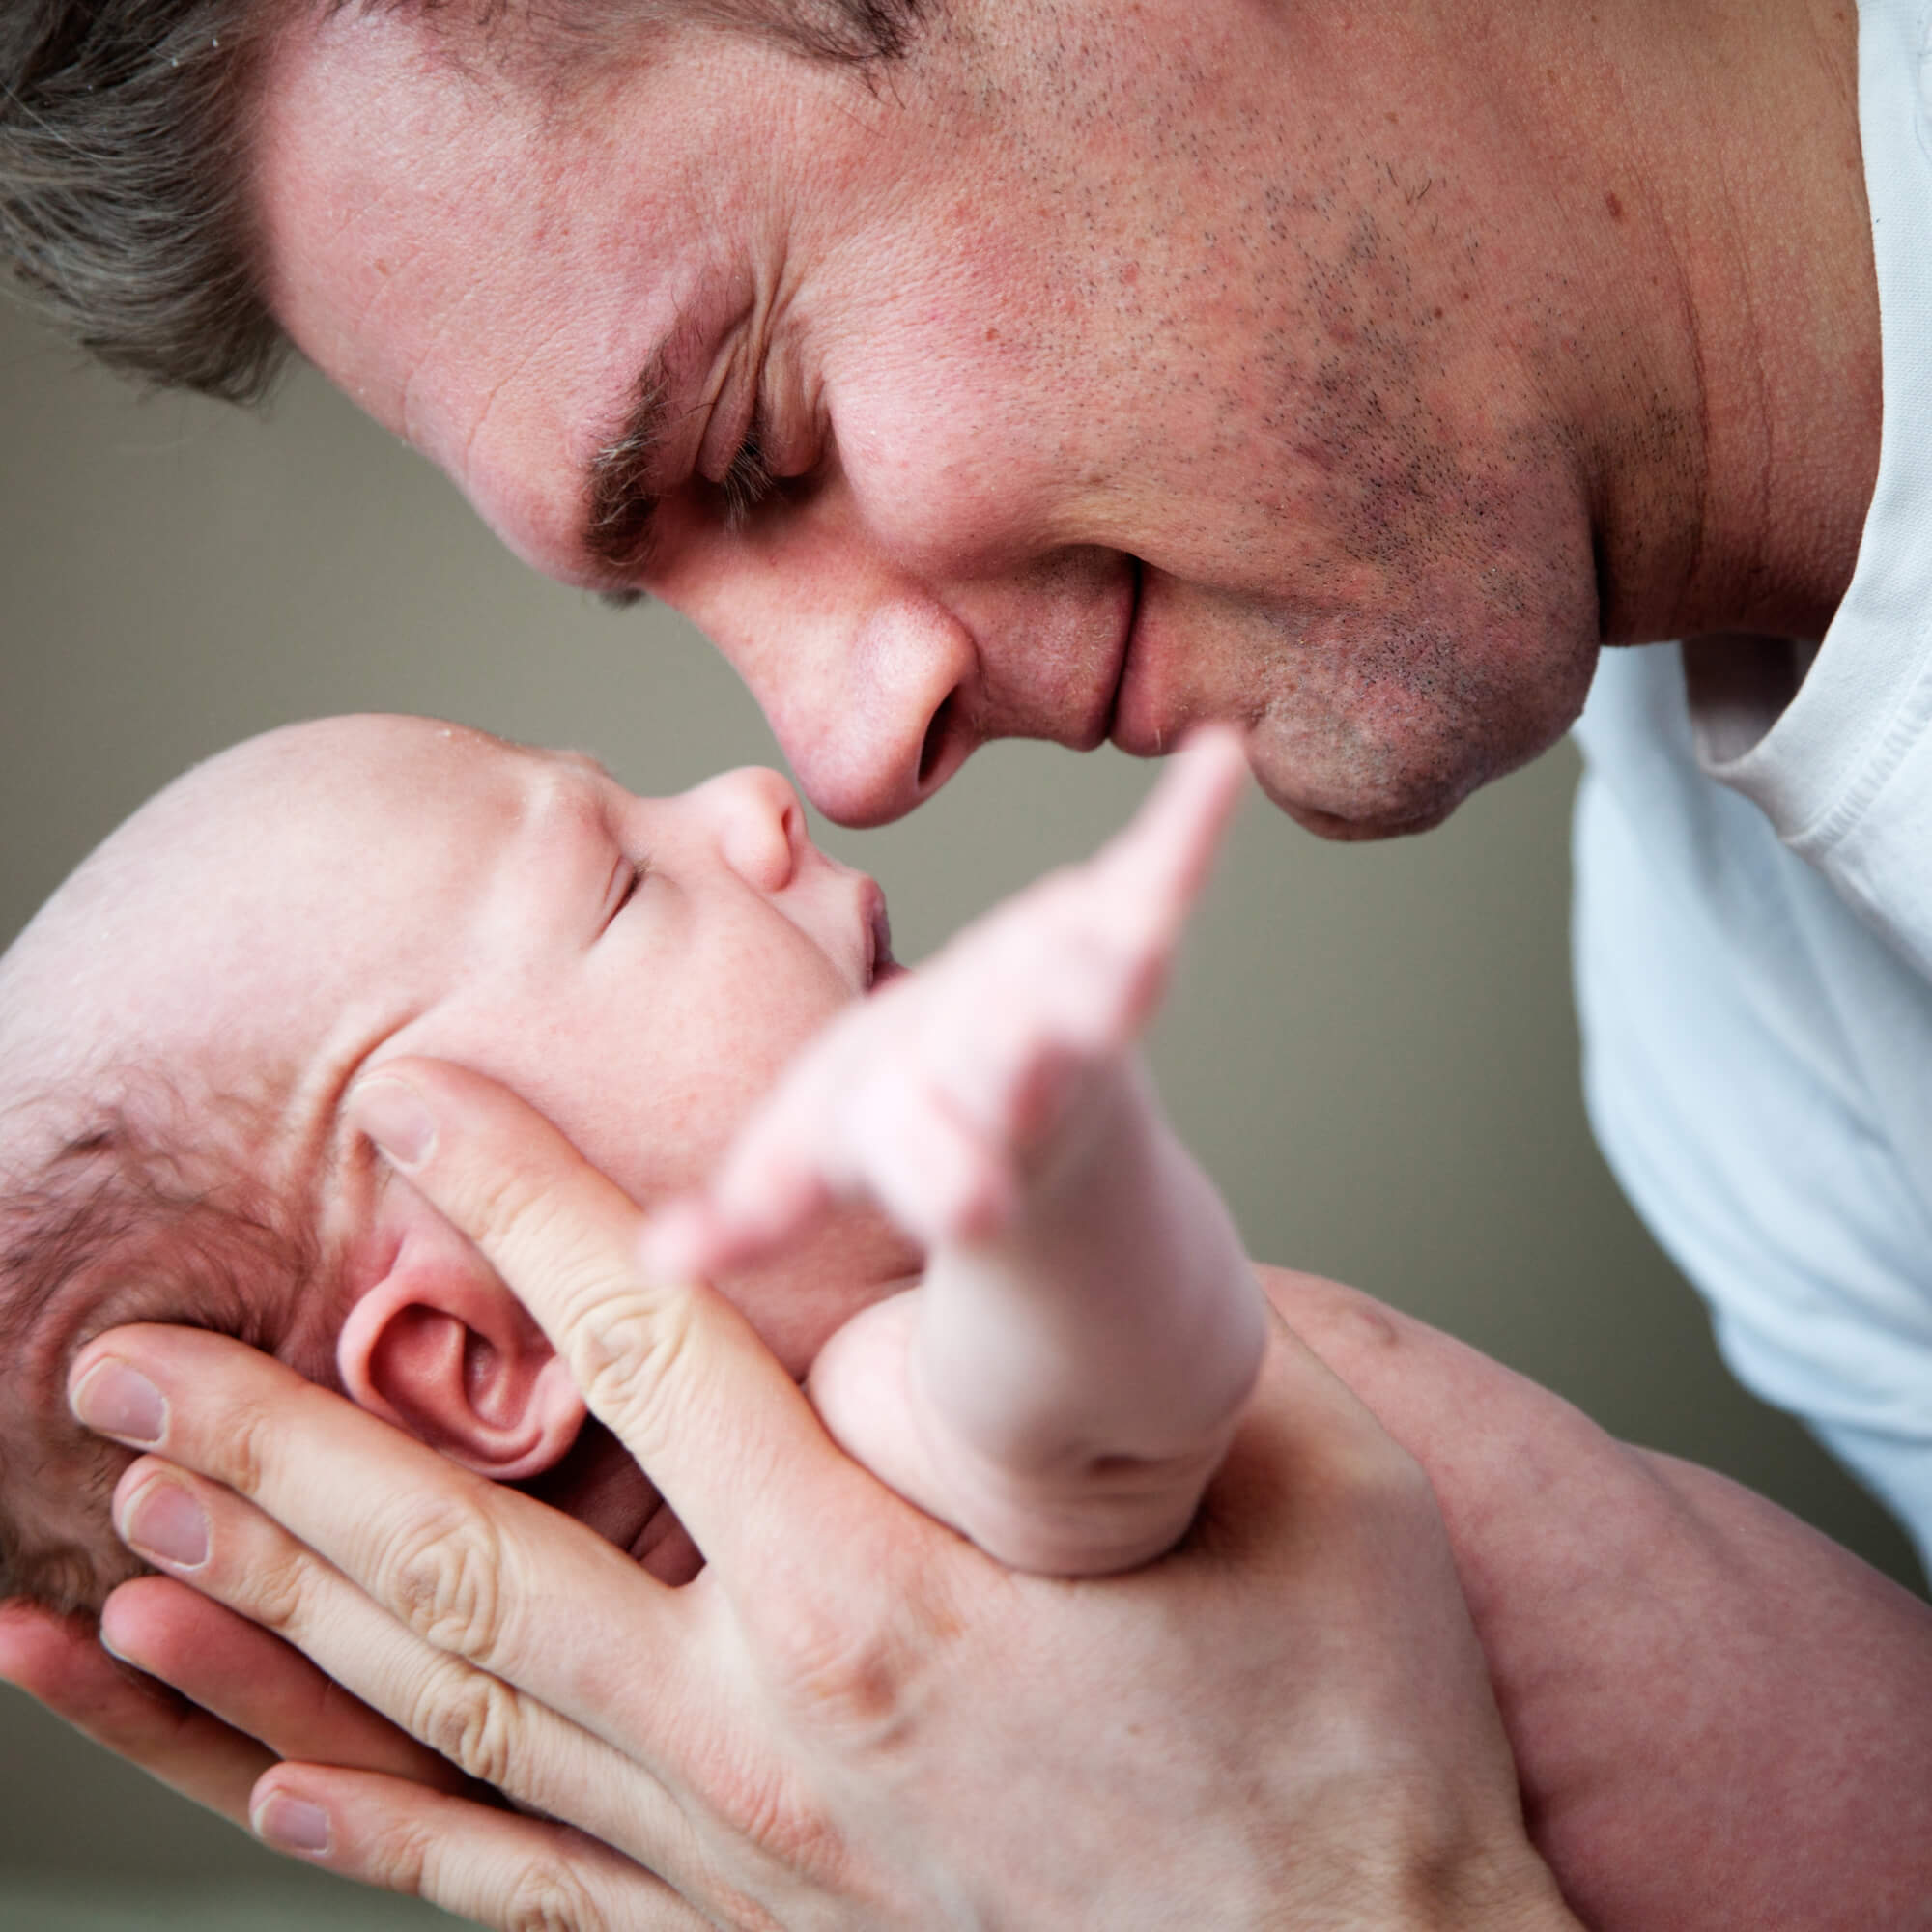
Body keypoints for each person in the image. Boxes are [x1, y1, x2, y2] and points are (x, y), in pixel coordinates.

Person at [5, 0, 1932, 1922]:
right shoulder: (1742, 1072)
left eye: (755, 435)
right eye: (611, 890)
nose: (828, 766)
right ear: (472, 1358)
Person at [0, 714, 1267, 1605]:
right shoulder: (892, 1423)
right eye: (622, 884)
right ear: (490, 1354)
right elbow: (1116, 1418)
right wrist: (1054, 1166)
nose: (749, 799)